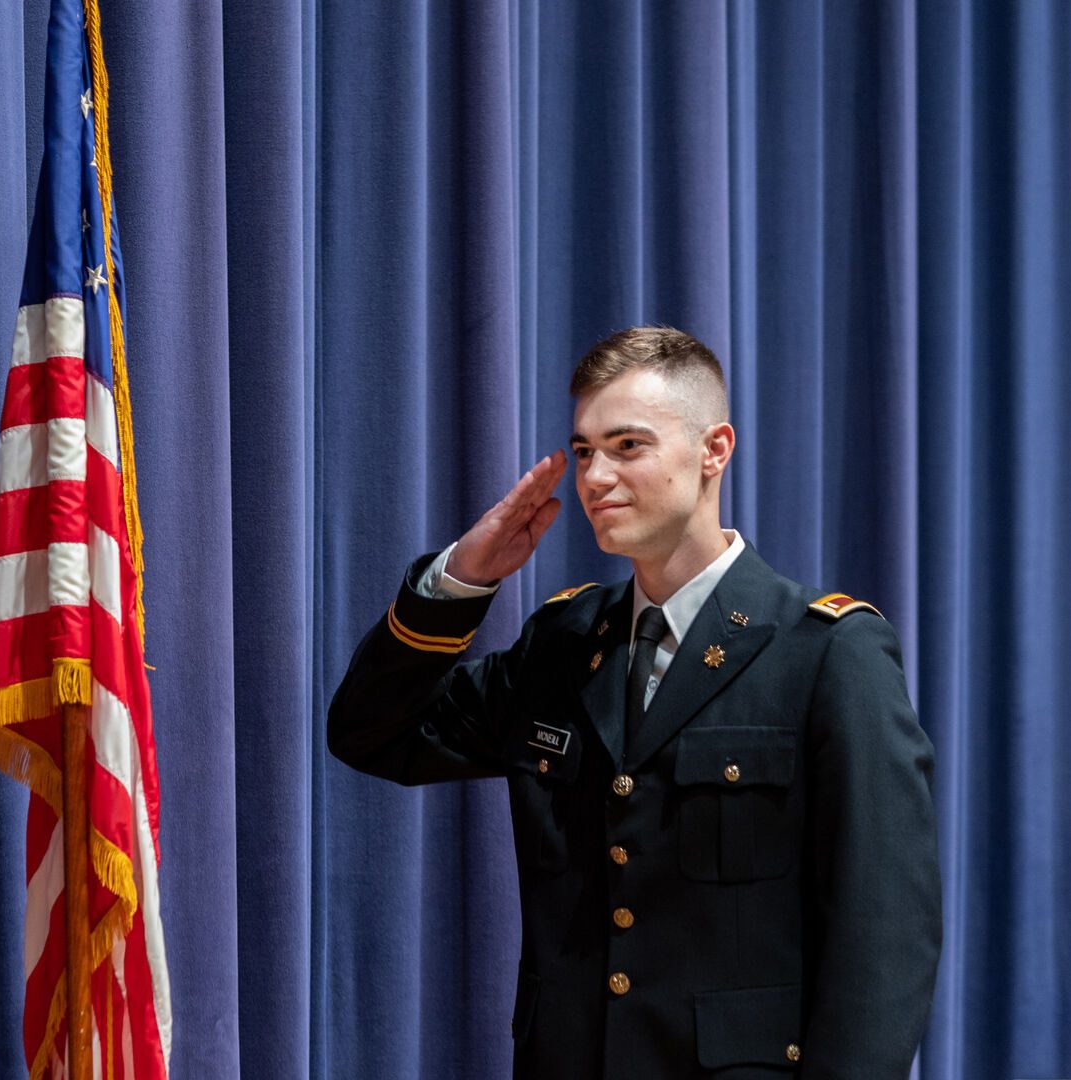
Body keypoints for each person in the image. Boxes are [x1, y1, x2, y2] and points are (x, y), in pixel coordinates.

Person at [327, 328, 941, 1078]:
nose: (594, 476)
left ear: (713, 451)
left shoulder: (825, 653)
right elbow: (371, 734)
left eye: (627, 446)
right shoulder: (563, 642)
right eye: (584, 451)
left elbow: (885, 939)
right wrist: (460, 583)